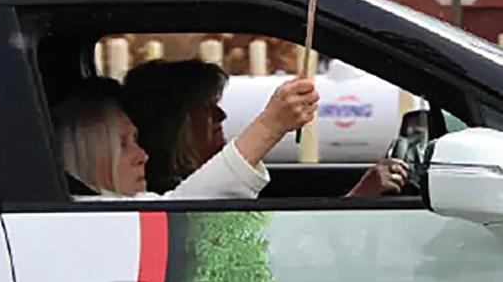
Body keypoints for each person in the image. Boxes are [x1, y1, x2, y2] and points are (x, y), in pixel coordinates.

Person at [123, 59, 408, 197]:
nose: (221, 115)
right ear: (176, 121)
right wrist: (273, 123)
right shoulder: (160, 192)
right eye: (207, 108)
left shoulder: (177, 180)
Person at [53, 74, 319, 199]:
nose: (142, 156)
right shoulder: (91, 216)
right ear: (83, 154)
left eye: (135, 141)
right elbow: (187, 213)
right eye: (122, 144)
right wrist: (271, 126)